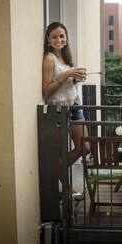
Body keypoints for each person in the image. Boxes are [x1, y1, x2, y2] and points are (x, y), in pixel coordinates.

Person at [42, 22, 90, 184]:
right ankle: (67, 190)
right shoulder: (49, 58)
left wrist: (76, 79)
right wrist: (66, 75)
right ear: (48, 39)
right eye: (54, 37)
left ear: (66, 38)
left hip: (75, 107)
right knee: (60, 154)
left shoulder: (67, 56)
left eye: (62, 36)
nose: (59, 40)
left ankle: (55, 170)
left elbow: (67, 85)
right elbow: (47, 91)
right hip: (58, 111)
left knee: (85, 147)